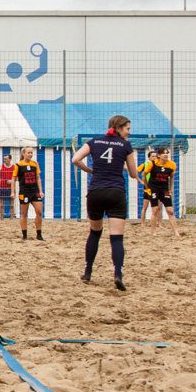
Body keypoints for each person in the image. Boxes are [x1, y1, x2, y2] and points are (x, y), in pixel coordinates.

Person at [72, 115, 136, 290]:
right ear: (118, 128)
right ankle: (118, 275)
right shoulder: (126, 145)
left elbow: (75, 159)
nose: (129, 132)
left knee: (94, 232)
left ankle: (87, 272)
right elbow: (132, 173)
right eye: (127, 128)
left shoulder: (94, 142)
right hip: (116, 192)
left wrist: (91, 171)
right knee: (116, 238)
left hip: (96, 192)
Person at [139, 145, 180, 236]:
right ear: (159, 155)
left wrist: (171, 189)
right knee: (155, 210)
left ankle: (176, 232)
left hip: (164, 189)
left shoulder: (172, 165)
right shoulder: (152, 164)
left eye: (167, 153)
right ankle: (154, 232)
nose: (165, 155)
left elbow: (172, 177)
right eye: (163, 153)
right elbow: (143, 174)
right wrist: (147, 187)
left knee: (170, 211)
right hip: (153, 188)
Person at [12, 146, 43, 240]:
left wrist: (41, 191)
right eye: (28, 153)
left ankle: (39, 234)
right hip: (24, 191)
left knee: (39, 212)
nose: (30, 154)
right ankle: (24, 235)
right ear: (24, 154)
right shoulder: (18, 165)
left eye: (31, 153)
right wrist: (13, 192)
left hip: (34, 191)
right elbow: (13, 179)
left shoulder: (35, 164)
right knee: (24, 213)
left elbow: (38, 178)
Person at [0, 154, 14, 219]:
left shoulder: (14, 167)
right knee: (2, 205)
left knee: (11, 205)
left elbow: (17, 178)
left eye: (6, 159)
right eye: (4, 159)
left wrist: (11, 181)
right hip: (2, 187)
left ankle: (11, 219)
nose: (5, 160)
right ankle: (2, 219)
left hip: (11, 188)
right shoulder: (1, 166)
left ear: (10, 159)